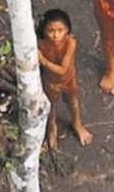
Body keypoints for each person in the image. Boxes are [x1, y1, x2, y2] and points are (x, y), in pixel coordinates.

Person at [36, 8, 93, 149]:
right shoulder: (41, 44)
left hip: (68, 79)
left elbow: (63, 69)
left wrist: (43, 60)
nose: (56, 35)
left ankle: (77, 124)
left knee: (72, 102)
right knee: (51, 106)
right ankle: (51, 128)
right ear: (44, 31)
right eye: (51, 31)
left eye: (60, 30)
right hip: (49, 81)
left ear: (67, 30)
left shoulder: (70, 43)